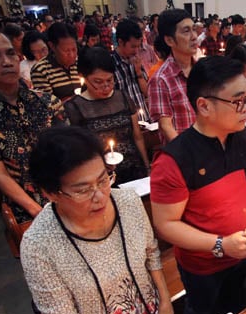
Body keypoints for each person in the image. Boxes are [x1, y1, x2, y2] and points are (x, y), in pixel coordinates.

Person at [21, 126, 174, 314]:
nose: (101, 195)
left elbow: (151, 251)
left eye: (104, 179)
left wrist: (163, 298)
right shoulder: (38, 246)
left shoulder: (127, 202)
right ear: (51, 193)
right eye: (82, 190)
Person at [150, 56, 246, 314]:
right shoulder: (175, 159)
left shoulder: (244, 138)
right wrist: (221, 244)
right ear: (204, 105)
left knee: (235, 307)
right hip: (203, 264)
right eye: (237, 101)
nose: (245, 109)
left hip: (242, 252)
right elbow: (166, 224)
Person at [0, 28, 65, 224]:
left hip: (66, 196)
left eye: (10, 53)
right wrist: (39, 212)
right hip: (27, 210)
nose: (7, 61)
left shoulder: (48, 101)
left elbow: (68, 152)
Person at [64, 47, 149, 184]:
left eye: (110, 80)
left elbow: (137, 136)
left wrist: (146, 166)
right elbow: (78, 151)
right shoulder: (75, 107)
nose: (106, 87)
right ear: (83, 77)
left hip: (134, 170)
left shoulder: (122, 97)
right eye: (98, 82)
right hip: (101, 177)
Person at [148, 9, 197, 144]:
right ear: (170, 40)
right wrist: (189, 155)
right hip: (183, 154)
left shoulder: (201, 70)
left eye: (194, 29)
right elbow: (166, 126)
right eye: (186, 31)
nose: (194, 36)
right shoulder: (161, 79)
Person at [112, 19, 150, 123]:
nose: (136, 50)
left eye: (138, 46)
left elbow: (147, 92)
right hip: (125, 122)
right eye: (133, 46)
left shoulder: (136, 59)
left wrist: (138, 73)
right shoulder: (111, 64)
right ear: (120, 42)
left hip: (144, 119)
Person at [31, 22, 80, 101]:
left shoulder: (80, 63)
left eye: (74, 49)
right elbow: (47, 104)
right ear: (52, 46)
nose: (71, 55)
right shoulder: (41, 70)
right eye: (66, 50)